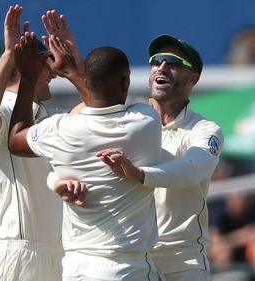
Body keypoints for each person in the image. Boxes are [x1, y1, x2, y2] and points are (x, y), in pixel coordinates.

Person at [8, 31, 163, 280]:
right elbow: (101, 100)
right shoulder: (146, 120)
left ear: (88, 82)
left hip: (75, 269)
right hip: (127, 268)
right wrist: (71, 71)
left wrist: (28, 76)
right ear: (126, 82)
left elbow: (16, 139)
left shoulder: (59, 129)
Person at [0, 5, 87, 281]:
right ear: (24, 67)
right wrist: (10, 55)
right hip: (18, 257)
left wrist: (74, 60)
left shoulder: (49, 115)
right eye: (46, 65)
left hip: (63, 256)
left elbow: (98, 113)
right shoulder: (3, 112)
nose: (53, 73)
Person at [96, 35, 224, 281]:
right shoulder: (129, 119)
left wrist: (140, 174)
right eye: (156, 60)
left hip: (182, 259)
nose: (162, 67)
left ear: (193, 78)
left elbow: (193, 168)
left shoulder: (206, 129)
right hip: (131, 255)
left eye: (173, 62)